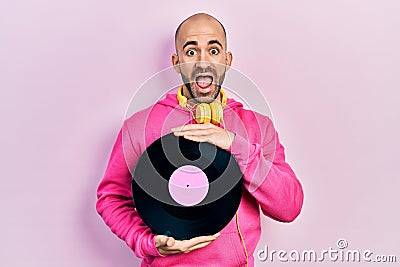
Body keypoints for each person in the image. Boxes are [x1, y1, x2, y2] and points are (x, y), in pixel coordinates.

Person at [96, 13, 304, 267]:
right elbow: (111, 198)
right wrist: (146, 243)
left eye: (213, 50)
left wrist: (235, 145)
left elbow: (289, 207)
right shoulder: (140, 126)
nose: (203, 62)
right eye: (191, 52)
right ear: (176, 62)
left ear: (227, 60)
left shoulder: (258, 126)